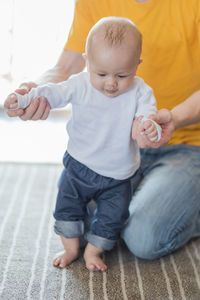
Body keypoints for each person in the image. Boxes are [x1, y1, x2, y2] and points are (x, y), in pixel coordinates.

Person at [4, 0, 200, 261]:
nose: (111, 84)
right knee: (79, 225)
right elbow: (64, 71)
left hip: (186, 145)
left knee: (143, 237)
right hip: (116, 159)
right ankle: (147, 198)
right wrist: (33, 92)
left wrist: (173, 119)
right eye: (103, 74)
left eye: (121, 76)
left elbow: (146, 116)